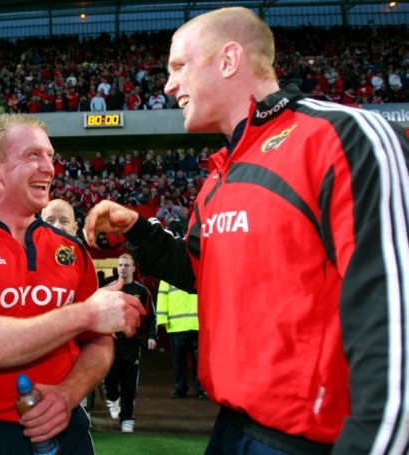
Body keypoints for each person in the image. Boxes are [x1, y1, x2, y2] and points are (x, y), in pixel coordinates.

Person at [84, 7, 409, 455]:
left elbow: (397, 310)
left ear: (229, 60)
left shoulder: (340, 136)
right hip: (233, 427)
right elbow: (201, 272)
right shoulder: (219, 176)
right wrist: (139, 229)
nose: (168, 85)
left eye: (179, 67)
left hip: (315, 440)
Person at [0, 113, 145, 454]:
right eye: (33, 156)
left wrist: (68, 394)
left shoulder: (71, 250)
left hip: (64, 425)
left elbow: (99, 344)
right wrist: (84, 313)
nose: (49, 168)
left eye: (50, 156)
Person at [104, 253, 157, 434]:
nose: (123, 268)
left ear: (133, 268)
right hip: (111, 343)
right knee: (109, 377)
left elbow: (150, 316)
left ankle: (127, 419)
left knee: (129, 383)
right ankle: (113, 397)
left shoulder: (142, 291)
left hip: (132, 344)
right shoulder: (108, 290)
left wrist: (151, 336)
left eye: (127, 265)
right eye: (120, 265)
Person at [156, 280, 205, 400]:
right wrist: (162, 318)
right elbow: (162, 296)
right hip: (179, 326)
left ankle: (200, 388)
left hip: (194, 325)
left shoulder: (196, 274)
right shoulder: (168, 277)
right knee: (179, 361)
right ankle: (181, 388)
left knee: (198, 361)